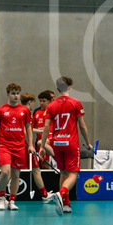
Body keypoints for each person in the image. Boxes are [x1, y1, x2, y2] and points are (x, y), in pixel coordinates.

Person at [42, 76, 92, 216]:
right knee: (73, 174)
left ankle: (66, 205)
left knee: (63, 173)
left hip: (57, 143)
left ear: (57, 88)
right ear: (70, 87)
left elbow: (46, 128)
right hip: (71, 143)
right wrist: (88, 142)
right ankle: (61, 194)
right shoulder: (76, 103)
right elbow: (82, 125)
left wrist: (42, 145)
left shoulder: (51, 106)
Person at [0, 83, 34, 211]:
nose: (16, 96)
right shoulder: (0, 110)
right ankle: (1, 197)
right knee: (5, 172)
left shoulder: (25, 111)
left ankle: (12, 200)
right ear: (8, 94)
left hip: (19, 147)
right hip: (4, 146)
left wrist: (30, 145)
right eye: (13, 93)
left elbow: (29, 128)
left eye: (17, 93)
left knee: (16, 175)